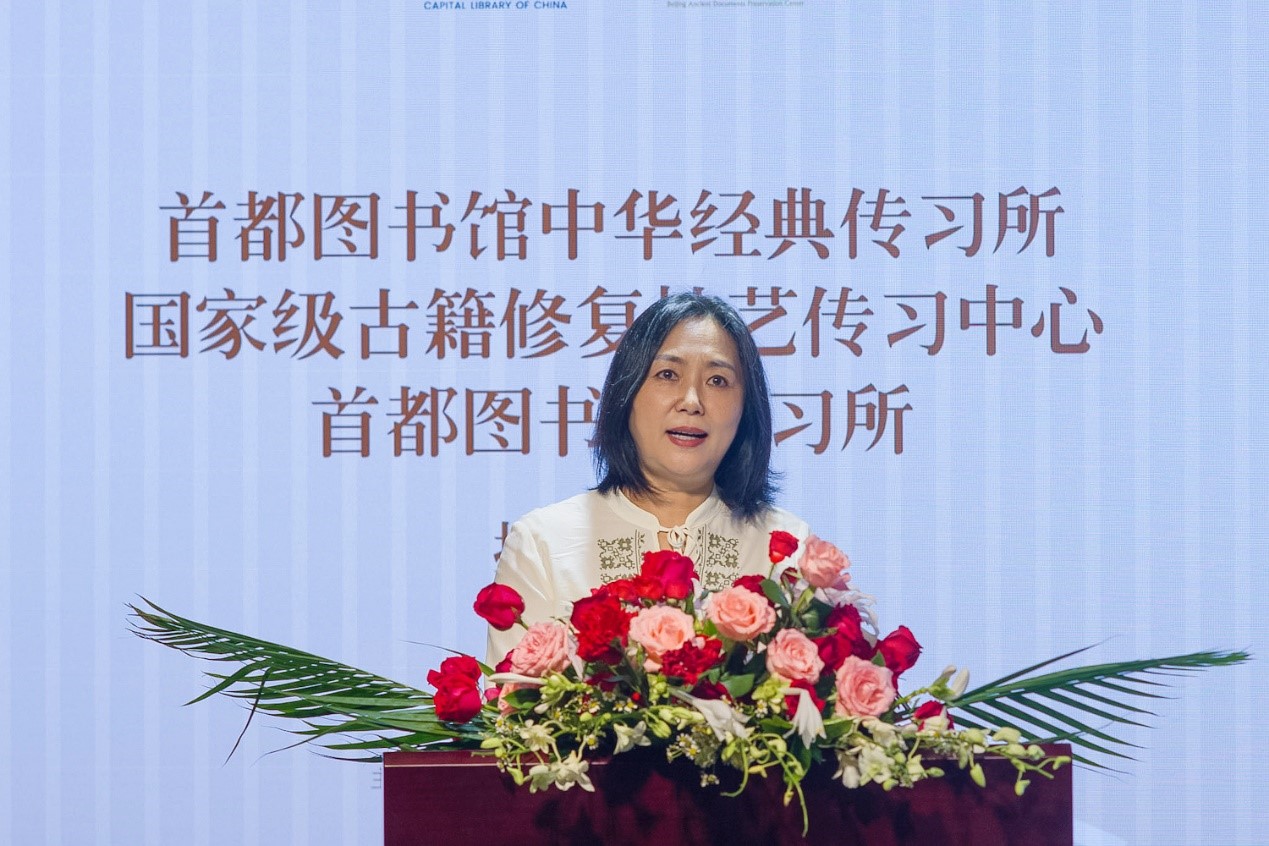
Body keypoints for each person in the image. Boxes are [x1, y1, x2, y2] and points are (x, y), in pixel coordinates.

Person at [487, 292, 810, 663]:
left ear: (745, 408)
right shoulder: (543, 543)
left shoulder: (785, 548)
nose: (692, 401)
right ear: (626, 393)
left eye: (718, 380)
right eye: (667, 375)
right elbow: (512, 696)